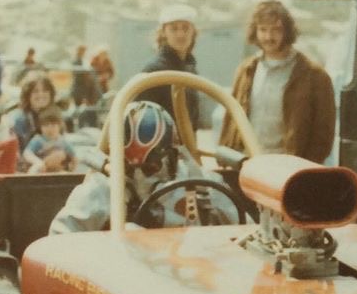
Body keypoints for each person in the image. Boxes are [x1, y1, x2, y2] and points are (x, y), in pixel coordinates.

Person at [49, 100, 232, 234]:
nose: (139, 177)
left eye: (150, 168)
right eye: (128, 167)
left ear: (173, 156)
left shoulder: (205, 188)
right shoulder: (100, 190)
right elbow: (59, 245)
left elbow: (244, 238)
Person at [219, 0, 335, 163]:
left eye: (276, 30)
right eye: (263, 29)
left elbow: (324, 134)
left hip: (288, 168)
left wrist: (304, 168)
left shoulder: (315, 76)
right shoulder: (246, 70)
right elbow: (231, 118)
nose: (268, 36)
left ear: (287, 31)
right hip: (248, 164)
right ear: (255, 31)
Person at [137, 4, 200, 127]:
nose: (180, 34)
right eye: (174, 28)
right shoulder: (154, 70)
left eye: (186, 28)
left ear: (193, 32)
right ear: (164, 32)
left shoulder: (190, 69)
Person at [8, 73, 57, 151]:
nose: (41, 94)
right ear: (28, 95)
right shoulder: (19, 119)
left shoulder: (54, 116)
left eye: (45, 90)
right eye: (35, 91)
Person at [22, 106, 75, 174]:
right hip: (41, 169)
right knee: (35, 168)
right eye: (46, 125)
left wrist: (72, 168)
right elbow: (27, 153)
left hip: (57, 170)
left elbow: (74, 156)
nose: (49, 128)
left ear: (59, 125)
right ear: (40, 126)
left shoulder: (63, 141)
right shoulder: (38, 140)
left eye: (53, 125)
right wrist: (37, 162)